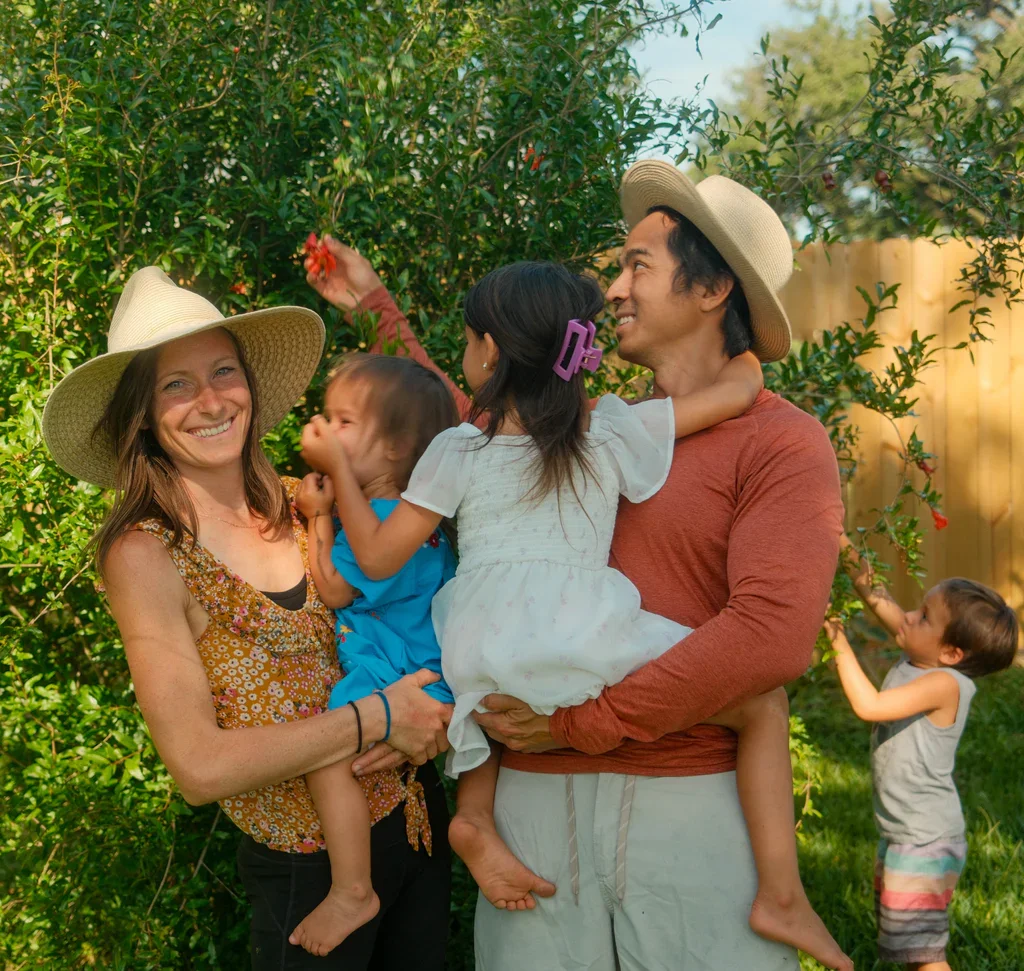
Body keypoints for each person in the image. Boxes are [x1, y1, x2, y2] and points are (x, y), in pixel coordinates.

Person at [307, 254, 849, 969]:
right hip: (574, 649)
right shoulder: (607, 431)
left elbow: (397, 524)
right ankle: (783, 891)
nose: (618, 288)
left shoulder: (468, 444)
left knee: (493, 694)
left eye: (638, 264)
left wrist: (340, 470)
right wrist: (747, 371)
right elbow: (729, 392)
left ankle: (471, 815)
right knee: (761, 707)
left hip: (489, 646)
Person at [40, 267, 454, 971]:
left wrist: (435, 716)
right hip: (310, 874)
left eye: (223, 371)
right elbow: (198, 766)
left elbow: (417, 598)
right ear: (142, 413)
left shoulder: (307, 503)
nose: (208, 399)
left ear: (251, 387)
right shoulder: (145, 552)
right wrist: (379, 716)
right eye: (176, 383)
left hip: (416, 824)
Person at [287, 354, 460, 955]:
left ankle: (352, 889)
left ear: (397, 448)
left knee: (325, 750)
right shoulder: (421, 521)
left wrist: (320, 517)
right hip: (424, 676)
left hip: (398, 679)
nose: (327, 433)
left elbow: (334, 589)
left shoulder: (384, 521)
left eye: (345, 422)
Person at [827, 532, 1019, 971]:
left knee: (923, 957)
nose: (909, 616)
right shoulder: (921, 654)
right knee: (906, 945)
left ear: (951, 653)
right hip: (904, 833)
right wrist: (839, 540)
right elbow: (874, 594)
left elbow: (869, 707)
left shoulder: (944, 684)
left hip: (925, 842)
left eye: (924, 617)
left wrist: (836, 636)